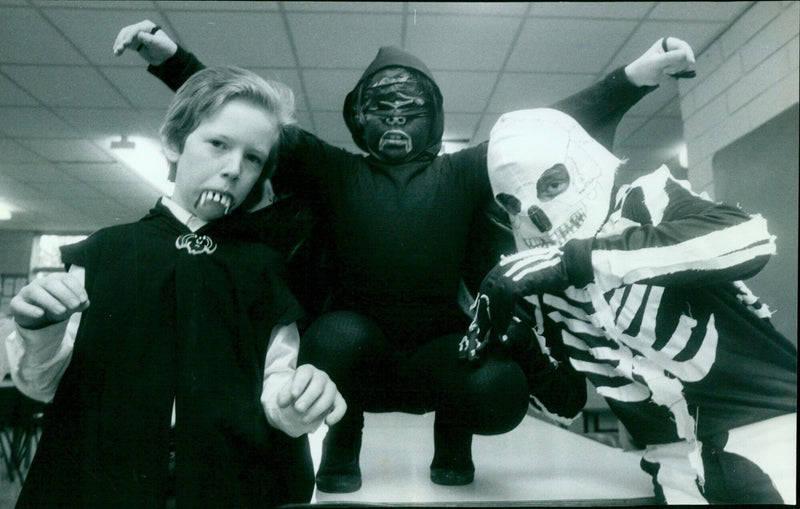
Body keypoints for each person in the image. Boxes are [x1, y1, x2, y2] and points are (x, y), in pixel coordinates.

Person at [113, 21, 697, 492]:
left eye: (408, 109)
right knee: (330, 339)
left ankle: (453, 438)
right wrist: (171, 60)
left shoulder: (465, 170)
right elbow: (254, 120)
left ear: (434, 116)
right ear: (358, 115)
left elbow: (546, 131)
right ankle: (343, 441)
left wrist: (636, 75)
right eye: (381, 109)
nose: (395, 120)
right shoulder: (334, 170)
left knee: (497, 387)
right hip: (353, 348)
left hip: (440, 352)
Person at [5, 66, 346, 508]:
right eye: (219, 144)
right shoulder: (104, 252)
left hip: (227, 487)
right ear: (173, 143)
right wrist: (39, 330)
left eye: (253, 158)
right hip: (99, 485)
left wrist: (301, 400)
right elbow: (42, 383)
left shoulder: (264, 271)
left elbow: (276, 389)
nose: (233, 170)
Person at [462, 107, 797, 504]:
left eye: (552, 184)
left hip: (775, 433)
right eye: (513, 205)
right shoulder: (545, 288)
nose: (535, 214)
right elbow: (566, 404)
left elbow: (749, 239)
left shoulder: (644, 201)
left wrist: (573, 262)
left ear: (582, 166)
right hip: (671, 468)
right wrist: (520, 345)